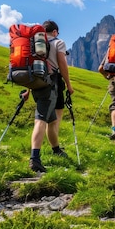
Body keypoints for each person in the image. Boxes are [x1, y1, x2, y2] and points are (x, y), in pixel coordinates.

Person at [25, 20, 74, 172]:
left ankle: (56, 150)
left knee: (52, 118)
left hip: (36, 83)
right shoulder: (58, 42)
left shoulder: (35, 44)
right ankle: (34, 159)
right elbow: (62, 63)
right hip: (52, 82)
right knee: (41, 120)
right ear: (55, 31)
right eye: (57, 32)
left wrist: (28, 89)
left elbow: (32, 65)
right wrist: (69, 84)